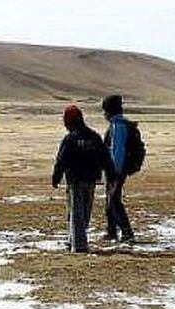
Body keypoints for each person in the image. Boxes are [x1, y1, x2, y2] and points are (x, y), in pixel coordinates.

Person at [52, 105, 113, 253]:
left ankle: (78, 244)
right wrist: (110, 175)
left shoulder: (70, 139)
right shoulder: (94, 137)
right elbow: (105, 158)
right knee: (85, 211)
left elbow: (62, 160)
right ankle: (74, 239)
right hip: (91, 179)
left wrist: (56, 177)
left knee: (76, 212)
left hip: (75, 180)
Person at [102, 95, 136, 243]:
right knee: (110, 199)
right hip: (115, 169)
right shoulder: (118, 124)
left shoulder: (118, 126)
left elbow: (118, 151)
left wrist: (114, 172)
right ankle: (112, 231)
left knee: (114, 200)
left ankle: (126, 232)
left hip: (116, 170)